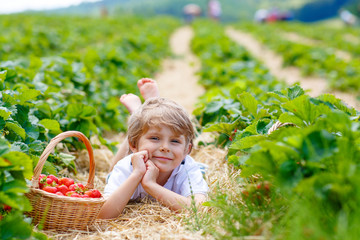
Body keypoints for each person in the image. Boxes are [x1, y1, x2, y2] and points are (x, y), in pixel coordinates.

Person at [98, 79, 208, 219]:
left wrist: (150, 185)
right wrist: (137, 174)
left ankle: (146, 111)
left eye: (175, 141)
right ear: (133, 145)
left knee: (143, 130)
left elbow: (199, 210)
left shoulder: (187, 167)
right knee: (111, 172)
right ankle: (140, 114)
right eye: (155, 138)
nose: (165, 148)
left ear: (187, 150)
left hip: (180, 164)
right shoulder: (127, 167)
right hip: (131, 158)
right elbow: (103, 215)